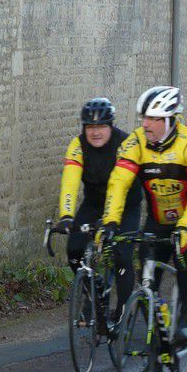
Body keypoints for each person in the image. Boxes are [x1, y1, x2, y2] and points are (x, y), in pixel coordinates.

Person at [101, 86, 187, 346]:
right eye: (144, 118)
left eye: (153, 119)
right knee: (147, 271)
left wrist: (186, 225)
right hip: (158, 218)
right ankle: (160, 328)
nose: (146, 124)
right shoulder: (135, 142)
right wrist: (110, 221)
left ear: (169, 120)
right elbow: (118, 183)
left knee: (183, 252)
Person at [56, 98, 142, 326]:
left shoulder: (125, 144)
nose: (95, 132)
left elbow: (120, 183)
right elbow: (70, 182)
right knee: (74, 250)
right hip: (94, 202)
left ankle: (123, 310)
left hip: (126, 204)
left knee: (122, 255)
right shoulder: (78, 145)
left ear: (111, 126)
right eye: (90, 127)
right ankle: (94, 293)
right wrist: (66, 215)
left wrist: (112, 220)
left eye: (101, 126)